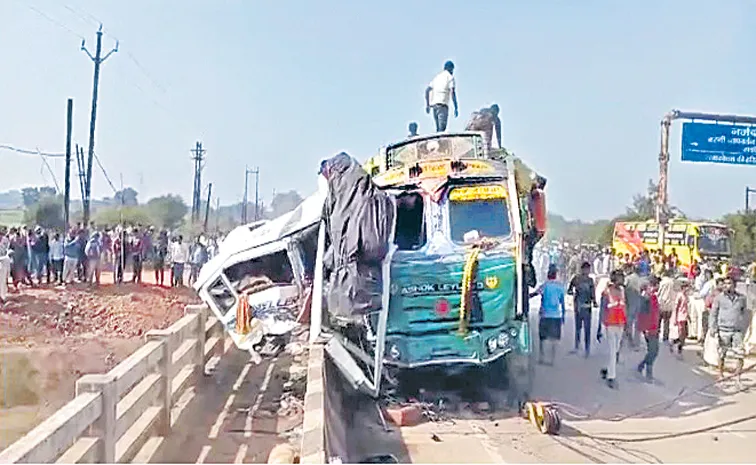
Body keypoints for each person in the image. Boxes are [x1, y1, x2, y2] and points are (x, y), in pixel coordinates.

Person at [709, 276, 748, 383]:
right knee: (722, 353)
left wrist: (744, 327)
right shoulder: (719, 298)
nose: (726, 286)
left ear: (734, 285)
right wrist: (713, 328)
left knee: (740, 354)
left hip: (737, 330)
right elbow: (713, 314)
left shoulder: (741, 298)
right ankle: (720, 374)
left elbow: (744, 313)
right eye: (725, 284)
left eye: (729, 283)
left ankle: (737, 376)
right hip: (723, 329)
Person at [530, 264, 565, 366]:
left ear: (548, 274)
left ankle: (542, 357)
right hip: (556, 316)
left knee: (542, 338)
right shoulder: (560, 287)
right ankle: (552, 360)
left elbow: (535, 294)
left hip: (545, 315)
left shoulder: (544, 286)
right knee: (554, 339)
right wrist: (563, 316)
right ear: (555, 275)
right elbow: (562, 303)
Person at [598, 270, 627, 389]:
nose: (622, 280)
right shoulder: (607, 292)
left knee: (615, 351)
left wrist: (627, 324)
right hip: (610, 324)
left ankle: (609, 370)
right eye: (620, 278)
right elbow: (602, 309)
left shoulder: (622, 291)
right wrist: (599, 327)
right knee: (612, 351)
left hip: (620, 323)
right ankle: (611, 377)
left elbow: (625, 307)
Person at [567, 262, 597, 357]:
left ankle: (585, 348)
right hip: (580, 306)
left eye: (588, 269)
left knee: (585, 328)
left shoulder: (588, 280)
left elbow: (593, 293)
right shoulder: (578, 279)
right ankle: (579, 346)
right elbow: (569, 290)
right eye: (586, 269)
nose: (587, 271)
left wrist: (594, 301)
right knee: (579, 327)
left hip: (585, 306)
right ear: (583, 269)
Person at [636, 276, 660, 382]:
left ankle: (642, 366)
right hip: (649, 328)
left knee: (654, 350)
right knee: (653, 351)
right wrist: (645, 328)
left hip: (654, 327)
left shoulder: (652, 297)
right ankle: (648, 372)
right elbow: (643, 315)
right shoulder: (646, 298)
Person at [424, 60, 458, 132]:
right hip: (442, 105)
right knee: (441, 130)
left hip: (434, 106)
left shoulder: (437, 77)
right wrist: (456, 107)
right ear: (451, 69)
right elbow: (452, 92)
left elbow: (427, 90)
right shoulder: (450, 77)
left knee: (438, 129)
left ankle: (437, 141)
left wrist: (427, 105)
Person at [623, 264, 646, 350]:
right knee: (637, 324)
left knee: (629, 323)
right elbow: (643, 290)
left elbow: (624, 288)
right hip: (638, 303)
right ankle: (637, 344)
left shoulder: (628, 278)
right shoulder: (641, 280)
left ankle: (629, 341)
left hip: (629, 303)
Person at [671, 281, 691, 356]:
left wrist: (688, 316)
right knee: (681, 333)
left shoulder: (686, 296)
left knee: (685, 334)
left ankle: (674, 342)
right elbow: (676, 308)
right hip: (680, 317)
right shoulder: (679, 296)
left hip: (685, 316)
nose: (688, 289)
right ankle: (679, 348)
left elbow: (686, 307)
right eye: (686, 287)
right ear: (683, 288)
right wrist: (675, 319)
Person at [657, 269, 676, 343]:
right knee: (667, 321)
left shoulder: (662, 282)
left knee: (658, 320)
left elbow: (659, 292)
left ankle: (657, 334)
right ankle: (666, 336)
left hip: (661, 302)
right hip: (669, 304)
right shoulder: (672, 282)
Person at [0, 228, 10, 303]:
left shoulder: (5, 240)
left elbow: (7, 250)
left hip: (3, 261)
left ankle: (2, 297)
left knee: (2, 281)